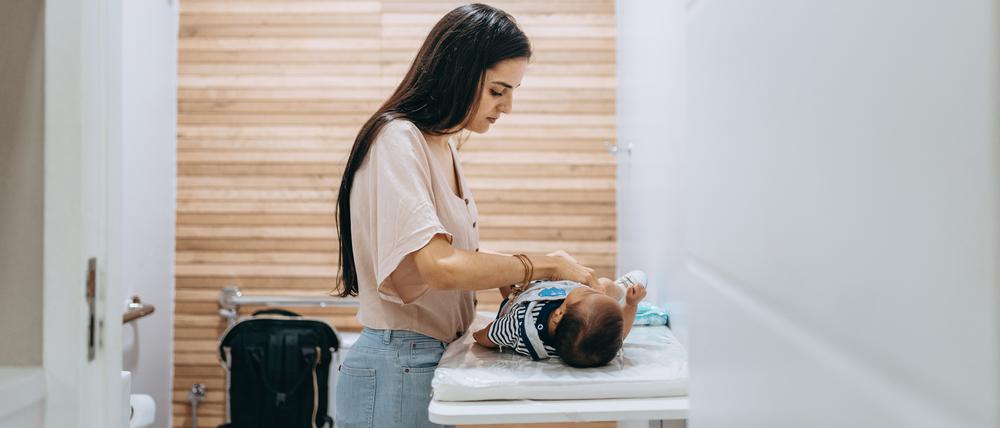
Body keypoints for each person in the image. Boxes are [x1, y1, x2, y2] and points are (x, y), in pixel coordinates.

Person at [332, 4, 601, 428]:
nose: (508, 106)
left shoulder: (443, 146)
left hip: (427, 360)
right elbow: (438, 267)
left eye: (512, 91)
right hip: (398, 364)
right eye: (498, 91)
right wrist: (543, 262)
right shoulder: (398, 140)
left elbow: (447, 253)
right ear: (458, 73)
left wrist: (501, 271)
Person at [472, 270, 648, 367]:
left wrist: (478, 335)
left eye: (587, 292)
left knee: (505, 278)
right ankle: (620, 290)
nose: (592, 290)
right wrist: (631, 304)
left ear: (559, 313)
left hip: (522, 297)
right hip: (554, 295)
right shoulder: (590, 344)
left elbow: (490, 335)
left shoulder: (517, 324)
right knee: (605, 287)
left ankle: (508, 283)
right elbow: (620, 334)